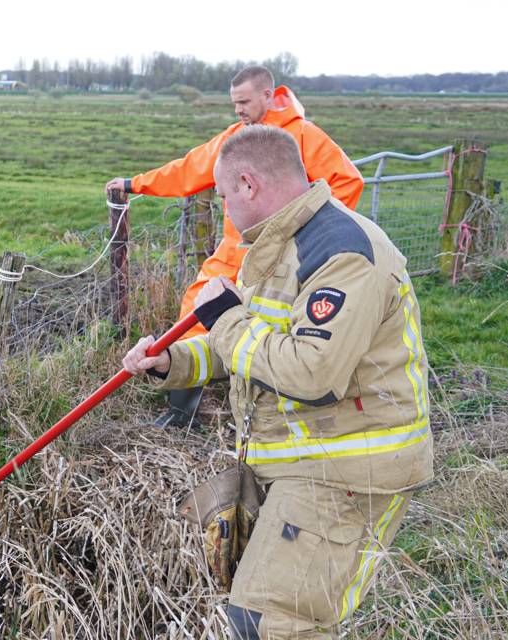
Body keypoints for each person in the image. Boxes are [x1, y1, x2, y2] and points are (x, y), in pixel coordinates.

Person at [122, 125, 434, 640]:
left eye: (221, 196)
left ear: (248, 184)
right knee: (271, 619)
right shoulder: (280, 246)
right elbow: (252, 346)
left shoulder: (342, 254)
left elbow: (309, 369)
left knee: (277, 620)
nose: (221, 212)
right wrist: (171, 361)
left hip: (346, 469)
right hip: (300, 462)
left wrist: (224, 318)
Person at [107, 66, 364, 427]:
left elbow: (347, 181)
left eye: (244, 102)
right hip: (234, 251)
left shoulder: (303, 137)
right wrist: (136, 183)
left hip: (284, 253)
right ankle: (183, 410)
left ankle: (262, 398)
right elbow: (188, 169)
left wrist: (308, 233)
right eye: (234, 103)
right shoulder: (234, 138)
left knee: (274, 323)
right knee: (196, 311)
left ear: (267, 95)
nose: (239, 110)